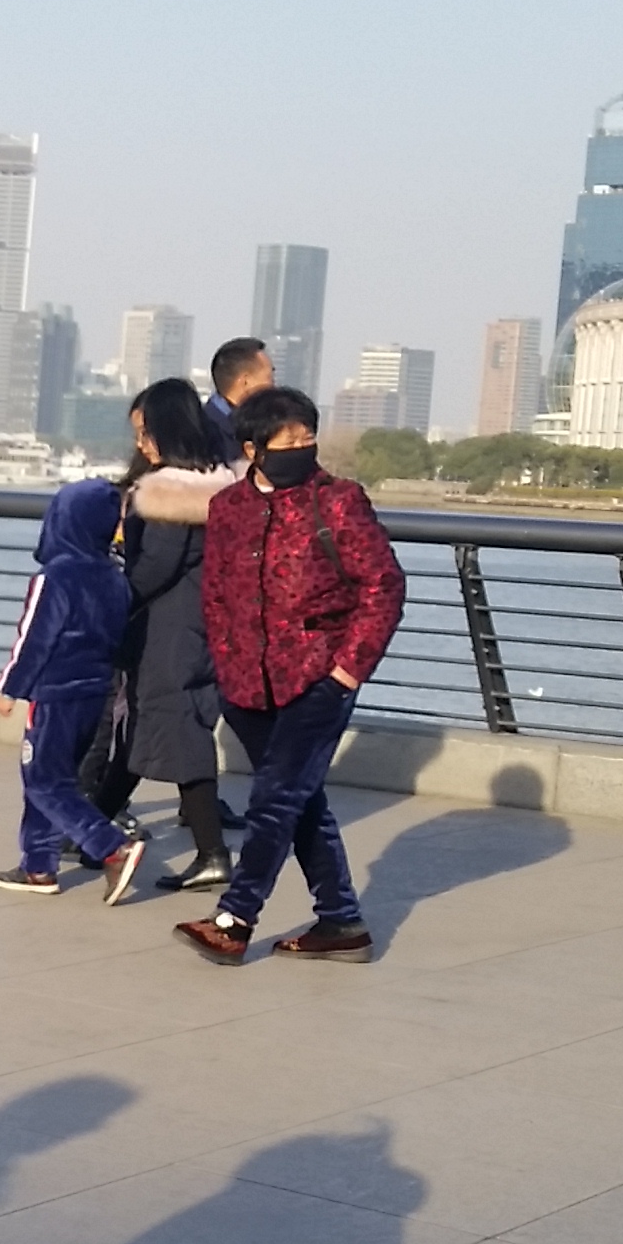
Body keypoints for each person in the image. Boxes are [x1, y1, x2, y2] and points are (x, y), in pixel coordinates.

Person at [176, 387, 406, 965]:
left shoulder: (339, 502)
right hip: (246, 683)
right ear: (253, 448)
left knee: (275, 800)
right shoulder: (227, 508)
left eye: (308, 436)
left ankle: (235, 917)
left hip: (318, 677)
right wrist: (226, 662)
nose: (302, 447)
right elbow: (216, 593)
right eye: (289, 439)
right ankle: (341, 922)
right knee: (301, 803)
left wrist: (347, 671)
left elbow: (384, 586)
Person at [85, 379, 245, 891]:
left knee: (176, 729)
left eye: (146, 432)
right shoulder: (217, 487)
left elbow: (154, 567)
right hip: (197, 624)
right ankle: (92, 832)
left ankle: (213, 852)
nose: (141, 444)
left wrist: (109, 603)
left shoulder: (173, 493)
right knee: (142, 729)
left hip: (172, 631)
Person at [0, 480, 148, 901]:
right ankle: (38, 866)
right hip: (94, 691)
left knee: (42, 779)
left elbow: (34, 638)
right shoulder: (115, 579)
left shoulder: (55, 577)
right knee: (58, 778)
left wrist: (11, 687)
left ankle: (111, 846)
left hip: (54, 693)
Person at [203, 336, 273, 450]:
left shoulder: (258, 426)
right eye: (269, 378)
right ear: (245, 381)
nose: (273, 386)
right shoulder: (205, 431)